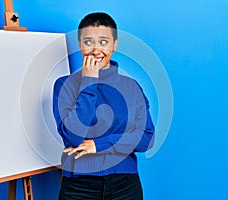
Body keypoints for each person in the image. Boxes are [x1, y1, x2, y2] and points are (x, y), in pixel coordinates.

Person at [52, 12, 155, 200]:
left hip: (125, 184)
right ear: (80, 45)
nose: (96, 49)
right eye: (89, 42)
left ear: (115, 44)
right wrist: (89, 80)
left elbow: (147, 139)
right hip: (79, 186)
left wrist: (99, 144)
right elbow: (73, 136)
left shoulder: (131, 87)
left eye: (104, 42)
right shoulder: (64, 85)